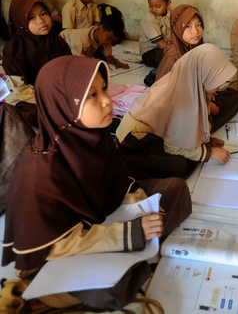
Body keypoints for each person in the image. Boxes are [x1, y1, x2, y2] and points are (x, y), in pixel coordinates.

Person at [2, 55, 191, 311]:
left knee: (175, 188)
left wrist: (144, 206)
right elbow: (59, 244)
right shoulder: (41, 170)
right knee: (110, 289)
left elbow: (118, 183)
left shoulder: (95, 136)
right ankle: (42, 293)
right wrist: (131, 232)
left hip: (100, 220)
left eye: (104, 89)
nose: (106, 101)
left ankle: (138, 246)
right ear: (63, 104)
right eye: (91, 95)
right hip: (60, 250)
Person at [117, 44, 236, 180]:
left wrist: (206, 141)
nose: (219, 86)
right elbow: (172, 147)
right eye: (216, 79)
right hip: (134, 142)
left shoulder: (190, 82)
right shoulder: (180, 96)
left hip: (155, 133)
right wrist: (209, 153)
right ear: (203, 73)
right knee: (179, 166)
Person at [3, 0, 71, 127]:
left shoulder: (57, 41)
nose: (41, 21)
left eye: (43, 13)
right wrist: (51, 100)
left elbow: (69, 70)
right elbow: (21, 90)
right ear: (20, 21)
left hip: (57, 93)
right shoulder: (14, 49)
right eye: (31, 17)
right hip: (27, 97)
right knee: (46, 114)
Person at [154, 4, 204, 81]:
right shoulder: (172, 58)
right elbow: (162, 89)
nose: (195, 31)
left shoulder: (193, 47)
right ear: (177, 28)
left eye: (198, 25)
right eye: (188, 26)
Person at [60, 15, 129, 69]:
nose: (109, 42)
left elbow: (108, 56)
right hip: (59, 48)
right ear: (100, 28)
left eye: (112, 40)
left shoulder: (103, 39)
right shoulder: (82, 40)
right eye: (109, 38)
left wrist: (115, 61)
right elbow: (80, 63)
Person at [138, 0, 172, 68]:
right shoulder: (149, 19)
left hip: (165, 47)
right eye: (150, 5)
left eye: (158, 6)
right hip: (150, 53)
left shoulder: (171, 13)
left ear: (168, 4)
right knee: (166, 56)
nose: (153, 9)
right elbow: (161, 44)